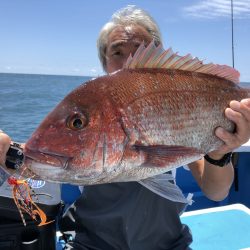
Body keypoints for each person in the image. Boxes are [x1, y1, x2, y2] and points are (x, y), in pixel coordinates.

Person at [1, 5, 250, 250]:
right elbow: (35, 162)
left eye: (140, 49)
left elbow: (216, 193)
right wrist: (7, 152)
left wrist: (219, 153)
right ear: (104, 61)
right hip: (90, 244)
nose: (129, 60)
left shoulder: (178, 105)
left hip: (168, 244)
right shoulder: (94, 102)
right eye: (118, 52)